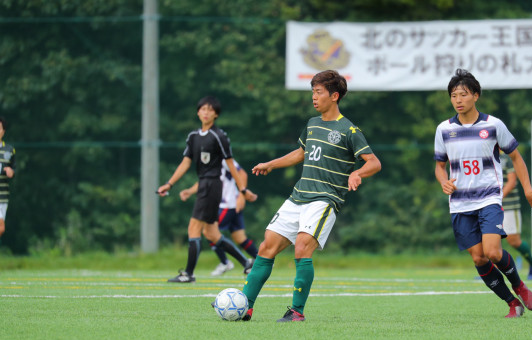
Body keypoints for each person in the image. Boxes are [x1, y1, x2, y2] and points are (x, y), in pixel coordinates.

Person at [241, 70, 381, 322]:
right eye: (312, 92)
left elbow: (374, 162)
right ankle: (244, 305)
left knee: (302, 248)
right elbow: (300, 153)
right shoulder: (312, 123)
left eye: (318, 92)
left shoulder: (349, 130)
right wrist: (271, 163)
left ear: (334, 95)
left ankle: (296, 311)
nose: (314, 97)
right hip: (298, 196)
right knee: (266, 247)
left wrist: (357, 173)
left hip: (324, 199)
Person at [434, 69, 532, 318]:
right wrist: (444, 182)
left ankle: (519, 285)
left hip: (489, 197)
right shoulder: (443, 129)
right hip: (460, 203)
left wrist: (528, 191)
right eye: (453, 95)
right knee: (478, 258)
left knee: (493, 252)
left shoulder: (493, 125)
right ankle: (512, 303)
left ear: (476, 95)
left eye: (463, 94)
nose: (458, 100)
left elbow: (516, 158)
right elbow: (439, 166)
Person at [157, 96, 257, 283]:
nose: (206, 112)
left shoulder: (219, 136)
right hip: (203, 184)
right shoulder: (193, 137)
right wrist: (169, 184)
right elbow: (185, 163)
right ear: (197, 112)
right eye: (203, 109)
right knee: (211, 233)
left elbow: (231, 166)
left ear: (216, 114)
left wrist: (243, 191)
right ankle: (246, 262)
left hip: (212, 185)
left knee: (193, 227)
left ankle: (188, 274)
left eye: (210, 110)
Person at [180, 158, 259, 277]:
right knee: (239, 237)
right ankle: (262, 261)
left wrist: (241, 197)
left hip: (226, 204)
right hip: (229, 204)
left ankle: (226, 262)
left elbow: (242, 173)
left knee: (209, 232)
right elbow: (204, 181)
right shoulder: (208, 160)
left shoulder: (222, 158)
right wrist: (190, 191)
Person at [500, 151, 532, 280]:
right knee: (490, 237)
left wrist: (497, 198)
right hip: (491, 206)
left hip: (509, 206)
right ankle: (490, 270)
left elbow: (511, 182)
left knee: (513, 240)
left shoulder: (507, 158)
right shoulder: (486, 157)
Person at [0, 117, 16, 276]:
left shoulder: (9, 150)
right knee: (0, 228)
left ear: (4, 131)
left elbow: (13, 169)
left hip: (3, 196)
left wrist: (10, 172)